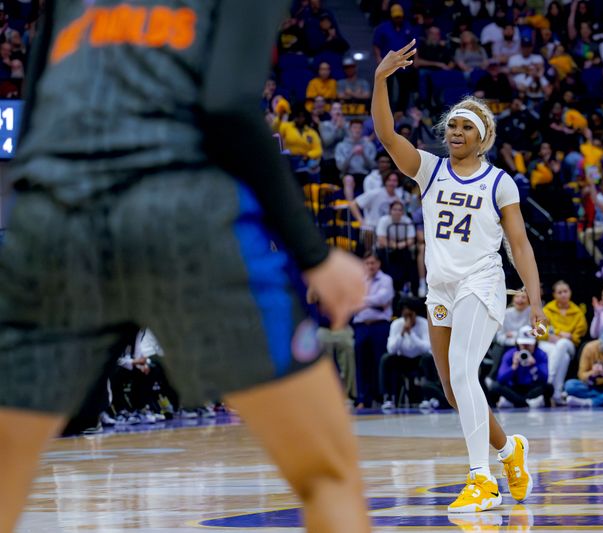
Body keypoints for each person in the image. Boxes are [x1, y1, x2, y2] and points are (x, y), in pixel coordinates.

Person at [0, 2, 371, 533]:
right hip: (182, 218)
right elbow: (226, 107)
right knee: (327, 476)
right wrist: (315, 255)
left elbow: (34, 114)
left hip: (58, 221)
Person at [373, 39, 548, 513]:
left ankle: (482, 481)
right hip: (443, 286)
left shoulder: (499, 182)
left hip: (482, 280)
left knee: (465, 373)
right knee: (453, 389)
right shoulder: (429, 171)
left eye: (464, 126)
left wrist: (534, 300)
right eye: (451, 124)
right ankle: (511, 451)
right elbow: (388, 136)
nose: (454, 131)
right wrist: (380, 79)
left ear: (482, 136)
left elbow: (519, 244)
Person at [353, 252, 394, 409]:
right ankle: (363, 398)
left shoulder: (386, 280)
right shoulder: (359, 280)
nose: (370, 266)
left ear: (379, 264)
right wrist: (372, 302)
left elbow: (383, 299)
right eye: (367, 263)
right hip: (361, 326)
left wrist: (361, 301)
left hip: (379, 326)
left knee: (380, 361)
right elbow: (352, 299)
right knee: (361, 363)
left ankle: (384, 396)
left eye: (373, 263)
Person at [540, 281, 589, 404]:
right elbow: (539, 330)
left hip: (568, 344)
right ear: (554, 295)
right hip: (548, 342)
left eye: (565, 291)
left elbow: (578, 336)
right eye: (559, 292)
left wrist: (563, 335)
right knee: (564, 357)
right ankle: (556, 393)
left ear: (570, 293)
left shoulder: (577, 312)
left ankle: (549, 380)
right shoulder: (547, 309)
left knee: (562, 344)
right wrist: (552, 335)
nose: (563, 295)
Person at [380, 299, 431, 410]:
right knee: (386, 359)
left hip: (419, 360)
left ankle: (428, 397)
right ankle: (388, 398)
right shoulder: (396, 324)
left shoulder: (423, 323)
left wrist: (411, 334)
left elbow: (427, 348)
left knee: (429, 359)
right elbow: (391, 349)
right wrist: (402, 334)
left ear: (415, 313)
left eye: (410, 315)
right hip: (402, 359)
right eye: (405, 315)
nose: (408, 318)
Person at [492, 325, 553, 409]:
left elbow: (545, 379)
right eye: (523, 344)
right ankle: (527, 403)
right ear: (518, 343)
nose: (525, 347)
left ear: (535, 343)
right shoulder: (510, 354)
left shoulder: (541, 354)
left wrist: (534, 365)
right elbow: (500, 379)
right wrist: (513, 367)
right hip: (515, 388)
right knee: (495, 387)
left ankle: (516, 402)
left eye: (528, 345)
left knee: (549, 387)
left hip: (532, 388)